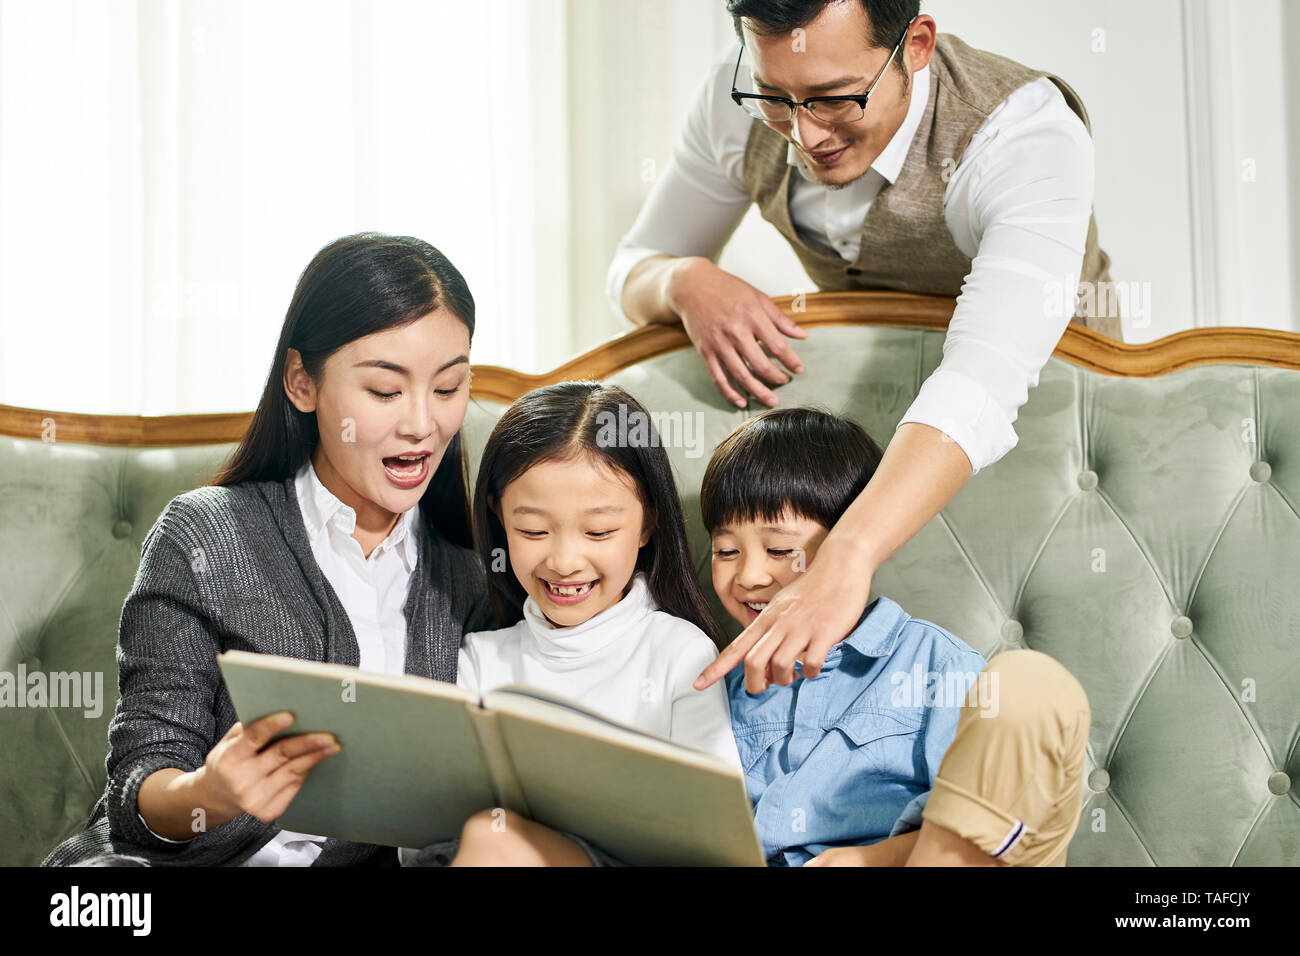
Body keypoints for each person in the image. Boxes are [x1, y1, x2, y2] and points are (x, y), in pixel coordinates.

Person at [609, 1, 1118, 697]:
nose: (804, 135)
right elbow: (634, 265)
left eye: (832, 99)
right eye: (778, 100)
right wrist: (683, 280)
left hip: (1056, 427)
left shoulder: (1025, 134)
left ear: (915, 44)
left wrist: (845, 555)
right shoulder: (740, 96)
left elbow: (980, 382)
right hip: (880, 431)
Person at [42, 233, 491, 866]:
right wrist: (210, 793)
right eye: (385, 392)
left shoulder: (467, 580)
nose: (422, 424)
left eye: (448, 389)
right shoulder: (204, 536)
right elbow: (136, 794)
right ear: (302, 383)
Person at [702, 408, 1091, 866]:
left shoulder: (932, 666)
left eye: (780, 550)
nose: (748, 575)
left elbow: (1006, 803)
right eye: (726, 551)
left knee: (1028, 684)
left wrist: (871, 861)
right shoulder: (720, 692)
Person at [405, 382, 740, 867]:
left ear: (647, 522)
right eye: (533, 531)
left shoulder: (680, 652)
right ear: (499, 518)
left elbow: (715, 829)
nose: (563, 561)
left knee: (492, 841)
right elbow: (419, 829)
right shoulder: (479, 660)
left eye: (599, 532)